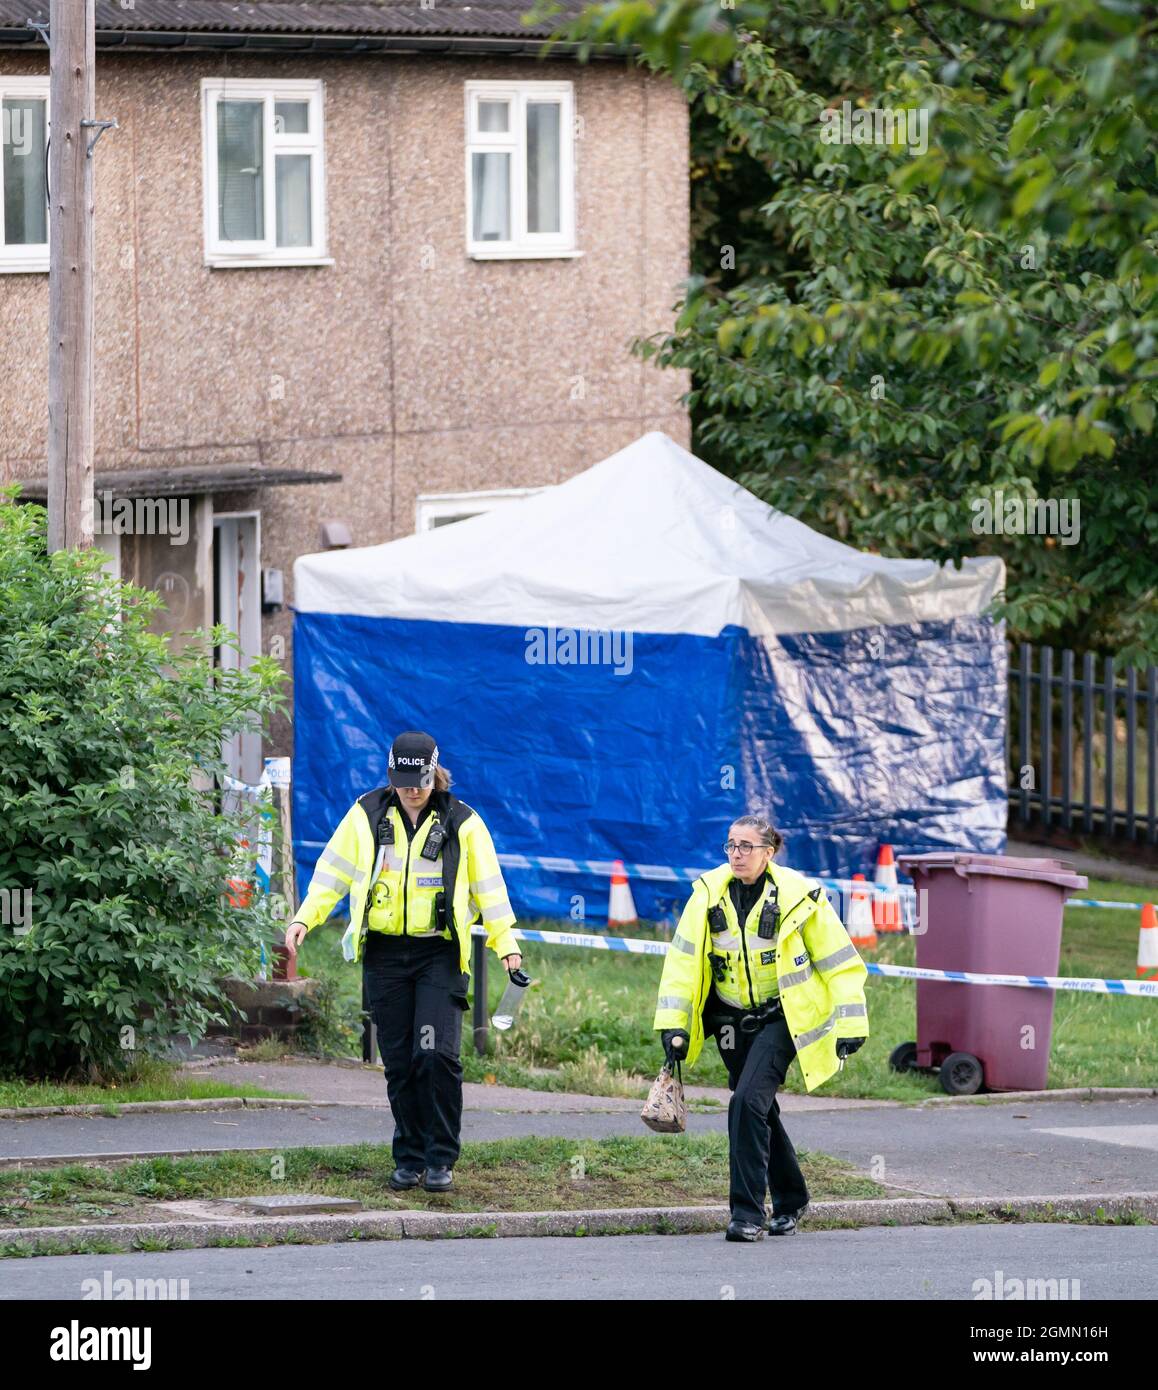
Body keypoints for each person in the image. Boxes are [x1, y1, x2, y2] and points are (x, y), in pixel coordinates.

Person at [284, 731, 521, 1194]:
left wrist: (506, 944)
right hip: (386, 956)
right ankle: (408, 1157)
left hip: (439, 956)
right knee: (399, 1061)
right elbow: (333, 873)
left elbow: (489, 891)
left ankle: (440, 1158)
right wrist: (304, 920)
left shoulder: (463, 822)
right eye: (404, 779)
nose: (413, 788)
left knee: (434, 1055)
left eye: (422, 780)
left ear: (436, 773)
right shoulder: (366, 814)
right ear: (392, 774)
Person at [653, 814, 869, 1241]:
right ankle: (792, 1200)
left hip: (781, 1019)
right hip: (730, 1024)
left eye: (746, 846)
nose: (736, 854)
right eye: (731, 845)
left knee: (745, 1103)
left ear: (768, 853)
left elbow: (840, 963)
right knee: (759, 1108)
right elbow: (681, 962)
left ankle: (747, 1215)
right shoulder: (707, 895)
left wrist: (852, 1022)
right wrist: (674, 1026)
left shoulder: (799, 897)